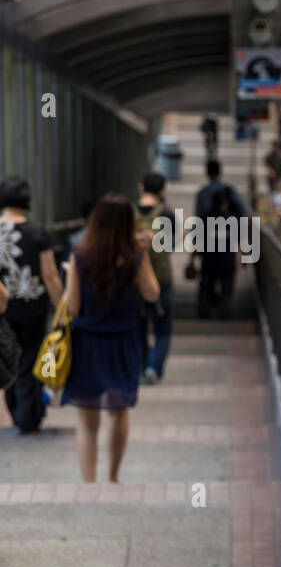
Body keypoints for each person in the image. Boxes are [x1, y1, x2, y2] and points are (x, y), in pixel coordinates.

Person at [61, 194, 161, 482]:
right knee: (119, 411)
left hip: (88, 344)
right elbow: (152, 294)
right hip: (124, 343)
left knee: (87, 419)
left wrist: (71, 276)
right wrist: (144, 256)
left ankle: (90, 482)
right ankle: (113, 477)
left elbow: (72, 307)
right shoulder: (134, 257)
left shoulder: (80, 254)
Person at [0, 176, 63, 432]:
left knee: (8, 358)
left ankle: (16, 411)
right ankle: (28, 415)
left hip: (4, 308)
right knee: (33, 359)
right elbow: (49, 275)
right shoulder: (38, 233)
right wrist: (61, 308)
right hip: (34, 307)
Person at [134, 171, 178, 384]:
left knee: (138, 327)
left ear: (140, 187)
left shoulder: (128, 214)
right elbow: (169, 245)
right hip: (161, 278)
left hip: (134, 279)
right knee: (162, 328)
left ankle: (143, 366)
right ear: (163, 191)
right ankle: (153, 366)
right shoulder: (166, 215)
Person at [197, 186, 241, 319]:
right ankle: (224, 314)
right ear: (226, 202)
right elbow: (241, 240)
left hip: (209, 260)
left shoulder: (205, 217)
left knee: (206, 289)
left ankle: (206, 313)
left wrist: (191, 260)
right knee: (226, 291)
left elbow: (196, 240)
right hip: (227, 261)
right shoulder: (233, 219)